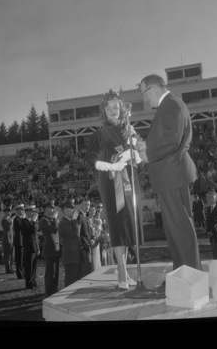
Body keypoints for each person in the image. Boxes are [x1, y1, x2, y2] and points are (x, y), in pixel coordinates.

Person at [137, 75, 201, 271]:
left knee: (179, 227)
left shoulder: (171, 104)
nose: (145, 99)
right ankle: (183, 270)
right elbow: (167, 138)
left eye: (144, 93)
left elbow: (170, 140)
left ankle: (189, 273)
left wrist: (146, 153)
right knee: (175, 228)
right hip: (170, 173)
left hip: (172, 173)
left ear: (154, 88)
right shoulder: (170, 105)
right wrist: (147, 145)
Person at [86, 89, 143, 289]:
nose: (112, 110)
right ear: (104, 111)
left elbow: (139, 156)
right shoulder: (100, 133)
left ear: (122, 109)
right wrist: (113, 166)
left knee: (127, 226)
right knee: (117, 226)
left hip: (129, 181)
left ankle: (124, 270)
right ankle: (121, 272)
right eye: (108, 108)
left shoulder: (129, 129)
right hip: (110, 181)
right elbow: (91, 159)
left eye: (116, 107)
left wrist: (134, 154)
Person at [58, 201, 83, 287]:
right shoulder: (63, 222)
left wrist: (77, 219)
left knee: (76, 280)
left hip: (75, 255)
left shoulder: (70, 221)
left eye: (73, 208)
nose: (73, 210)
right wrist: (75, 220)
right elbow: (76, 233)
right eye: (71, 208)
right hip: (70, 256)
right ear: (65, 210)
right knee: (70, 280)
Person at [39, 201, 61, 298]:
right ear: (46, 209)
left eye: (53, 208)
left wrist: (54, 219)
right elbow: (54, 229)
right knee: (50, 273)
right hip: (49, 249)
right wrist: (55, 218)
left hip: (55, 248)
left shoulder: (51, 219)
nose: (53, 210)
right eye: (51, 208)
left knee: (55, 273)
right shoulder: (44, 220)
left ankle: (54, 290)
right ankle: (49, 292)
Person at [21, 205, 40, 289]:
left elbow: (36, 234)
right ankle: (28, 284)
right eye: (31, 211)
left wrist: (38, 248)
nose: (33, 213)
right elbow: (31, 231)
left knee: (34, 266)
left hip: (34, 247)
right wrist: (34, 221)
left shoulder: (33, 221)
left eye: (34, 211)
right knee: (29, 267)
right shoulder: (24, 222)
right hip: (29, 247)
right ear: (27, 212)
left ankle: (33, 281)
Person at [77, 198, 94, 276]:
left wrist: (92, 239)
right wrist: (81, 245)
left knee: (88, 269)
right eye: (85, 204)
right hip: (83, 247)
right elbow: (77, 233)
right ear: (81, 205)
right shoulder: (79, 216)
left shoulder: (86, 216)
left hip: (88, 245)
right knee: (84, 271)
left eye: (89, 205)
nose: (87, 206)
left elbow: (88, 231)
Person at [206, 191, 217, 259]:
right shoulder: (209, 208)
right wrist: (208, 230)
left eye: (212, 197)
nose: (210, 199)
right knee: (214, 252)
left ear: (216, 198)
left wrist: (213, 230)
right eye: (209, 197)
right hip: (212, 235)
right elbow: (208, 221)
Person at [13, 203, 26, 279]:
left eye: (22, 209)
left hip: (23, 241)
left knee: (23, 259)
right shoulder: (16, 219)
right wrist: (24, 219)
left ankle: (23, 272)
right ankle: (20, 274)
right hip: (19, 242)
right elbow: (21, 227)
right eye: (21, 209)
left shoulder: (21, 219)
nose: (22, 211)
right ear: (17, 210)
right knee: (19, 259)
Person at [1, 205, 14, 274]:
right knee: (7, 255)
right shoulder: (4, 220)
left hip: (11, 239)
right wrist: (11, 222)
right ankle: (7, 269)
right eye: (8, 211)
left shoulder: (9, 219)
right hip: (7, 239)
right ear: (5, 212)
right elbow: (7, 228)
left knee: (11, 255)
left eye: (9, 211)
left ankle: (10, 267)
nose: (9, 212)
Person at [88, 204, 102, 271]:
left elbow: (99, 231)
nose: (92, 211)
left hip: (97, 243)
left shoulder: (96, 220)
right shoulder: (87, 220)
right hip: (92, 243)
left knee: (97, 260)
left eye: (93, 210)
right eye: (90, 210)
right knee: (93, 263)